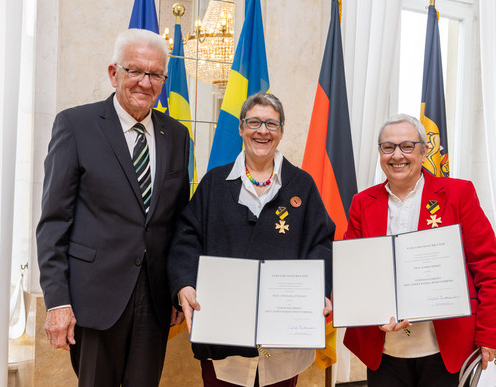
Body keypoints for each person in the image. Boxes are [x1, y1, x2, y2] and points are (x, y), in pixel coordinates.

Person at [36, 28, 190, 387]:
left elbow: (178, 222)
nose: (144, 82)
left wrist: (176, 287)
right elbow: (53, 223)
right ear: (113, 73)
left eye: (155, 74)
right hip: (94, 299)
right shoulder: (76, 125)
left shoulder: (177, 136)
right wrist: (57, 301)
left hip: (154, 302)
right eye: (135, 70)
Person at [167, 92, 335, 387]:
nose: (262, 131)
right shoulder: (214, 184)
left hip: (283, 345)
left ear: (281, 131)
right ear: (241, 127)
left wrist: (318, 288)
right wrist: (184, 283)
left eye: (271, 124)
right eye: (254, 122)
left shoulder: (303, 185)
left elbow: (321, 243)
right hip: (223, 342)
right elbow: (186, 239)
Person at [343, 114, 496, 387]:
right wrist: (351, 308)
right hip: (383, 347)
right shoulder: (362, 203)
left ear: (423, 151)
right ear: (380, 153)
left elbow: (489, 267)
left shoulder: (458, 194)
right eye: (388, 147)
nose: (397, 155)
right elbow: (353, 271)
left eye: (407, 146)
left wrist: (491, 335)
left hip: (445, 347)